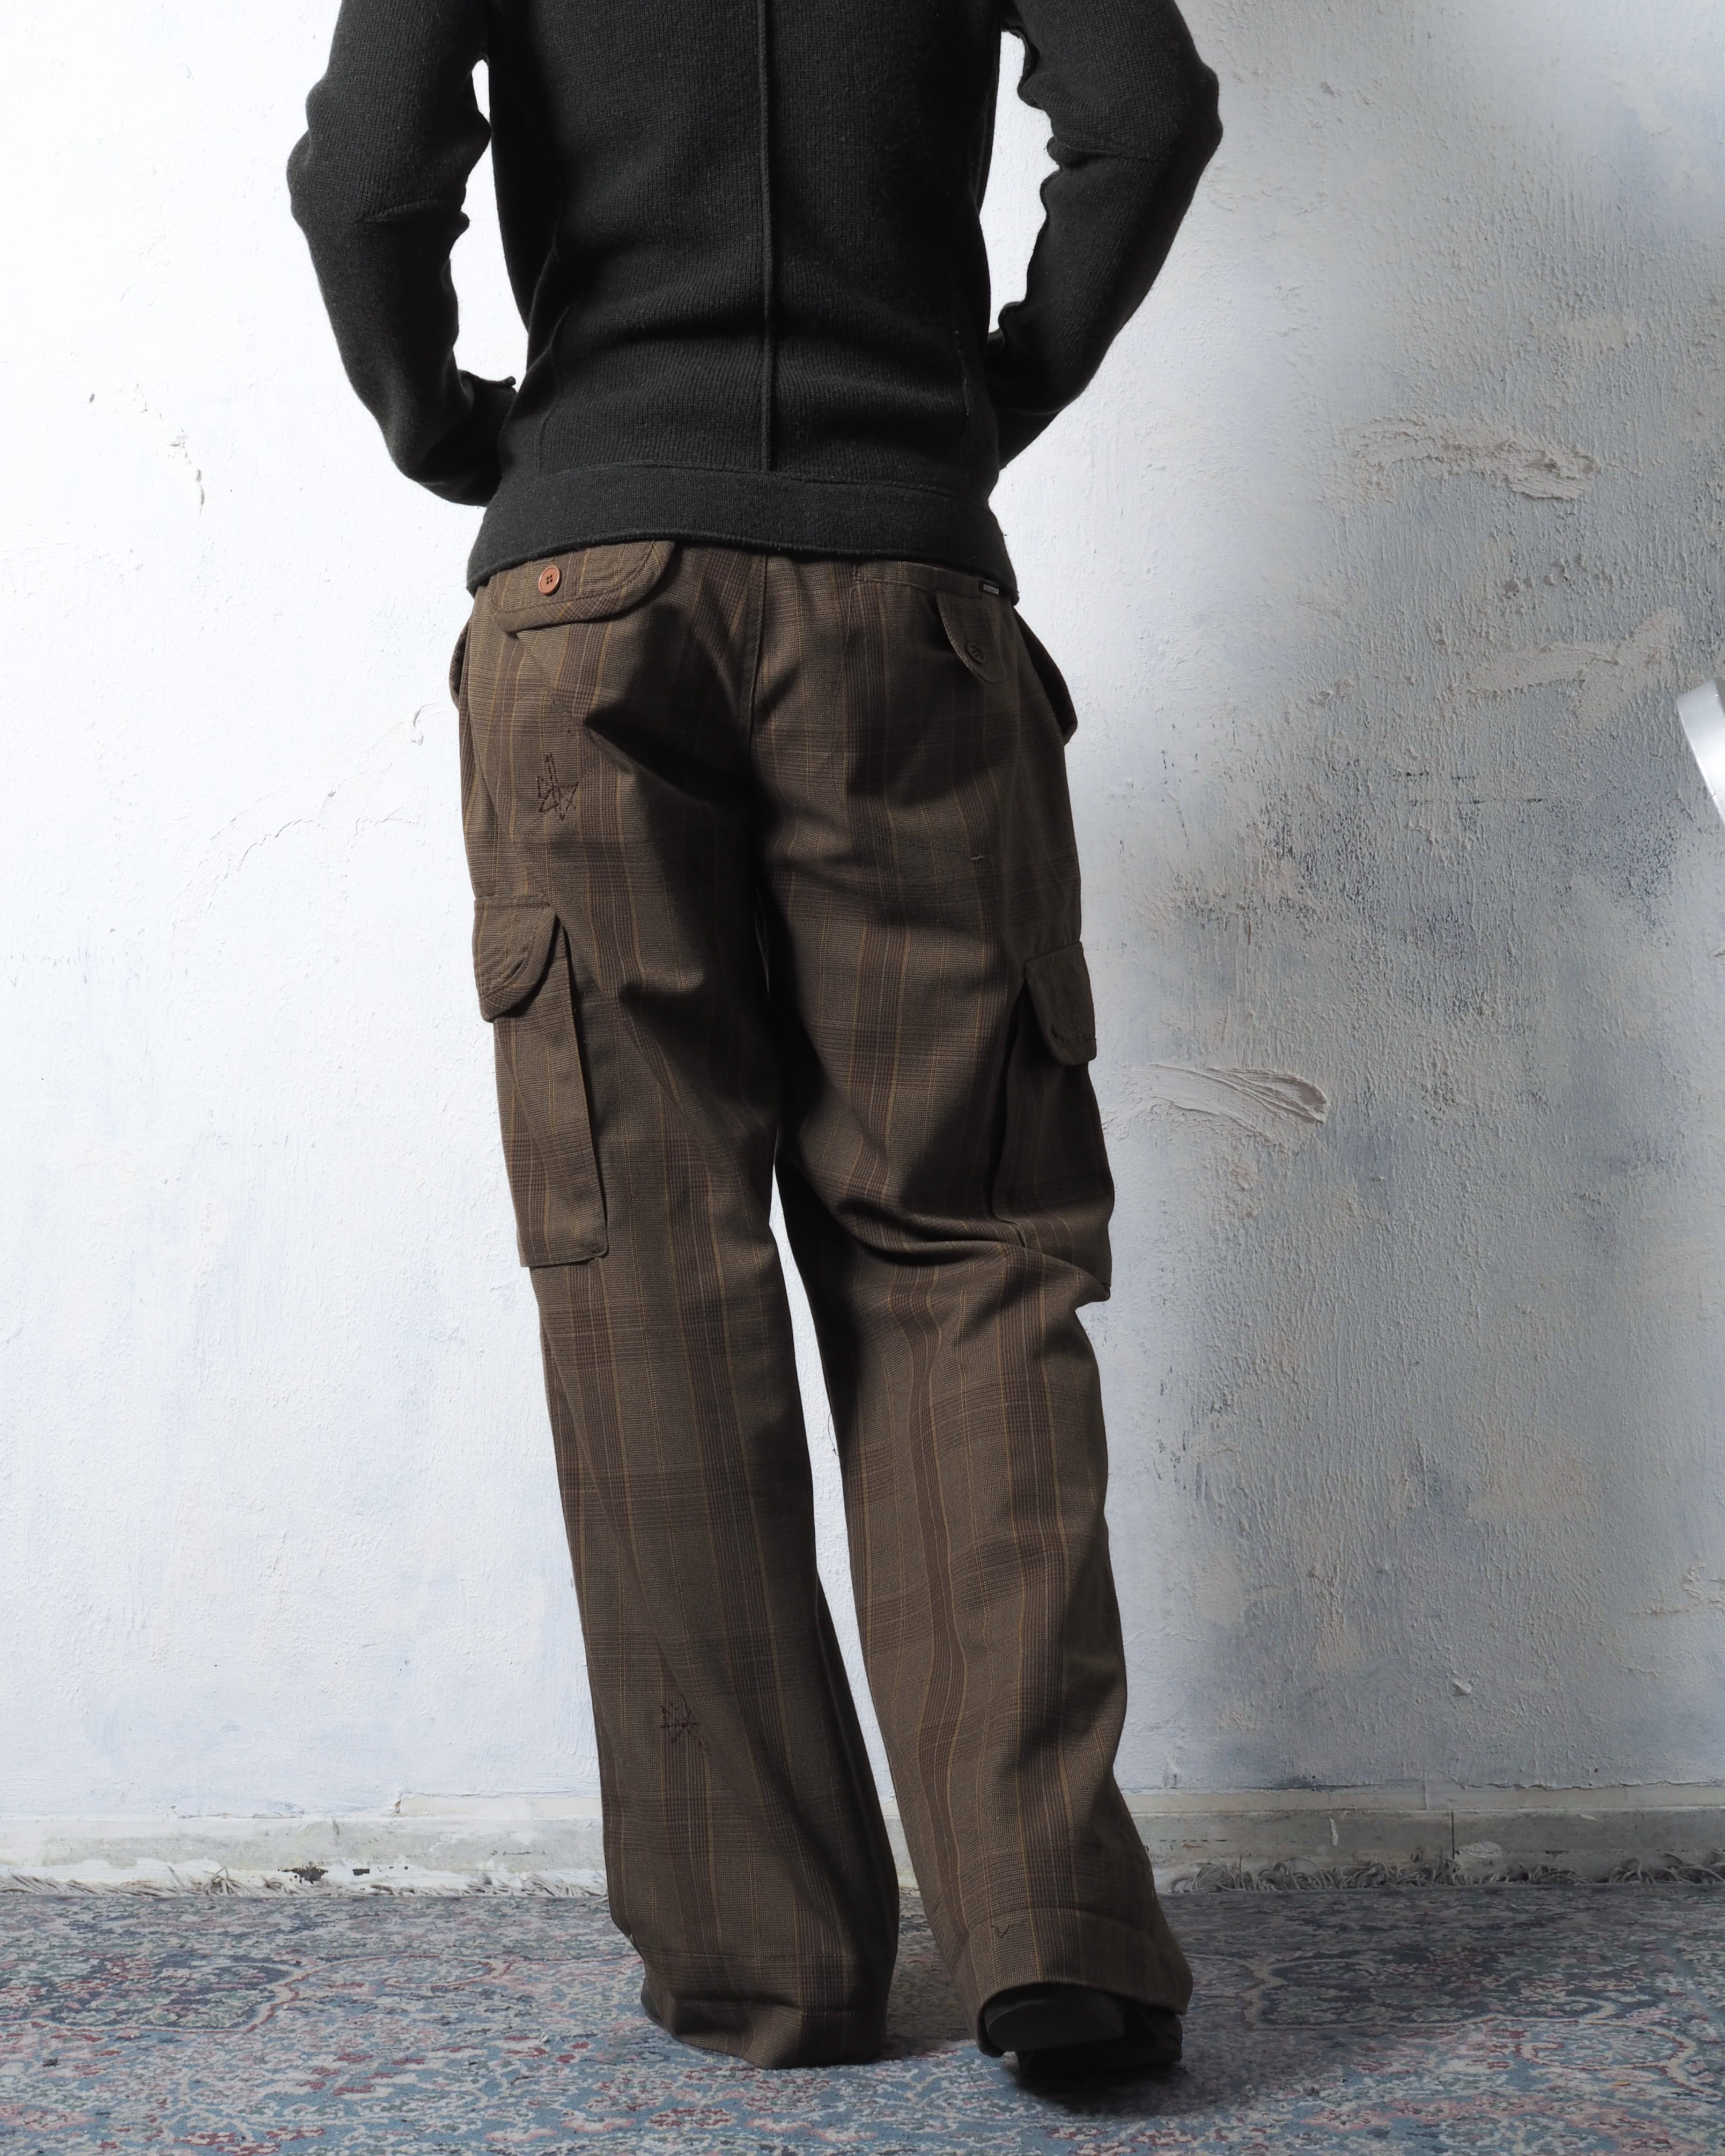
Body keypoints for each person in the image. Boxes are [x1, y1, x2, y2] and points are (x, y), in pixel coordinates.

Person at [288, 0, 1221, 2079]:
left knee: (646, 1267)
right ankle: (1050, 1922)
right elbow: (1146, 113)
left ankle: (767, 1954)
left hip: (585, 597)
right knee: (965, 1245)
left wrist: (457, 433)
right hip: (907, 600)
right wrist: (982, 402)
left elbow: (365, 175)